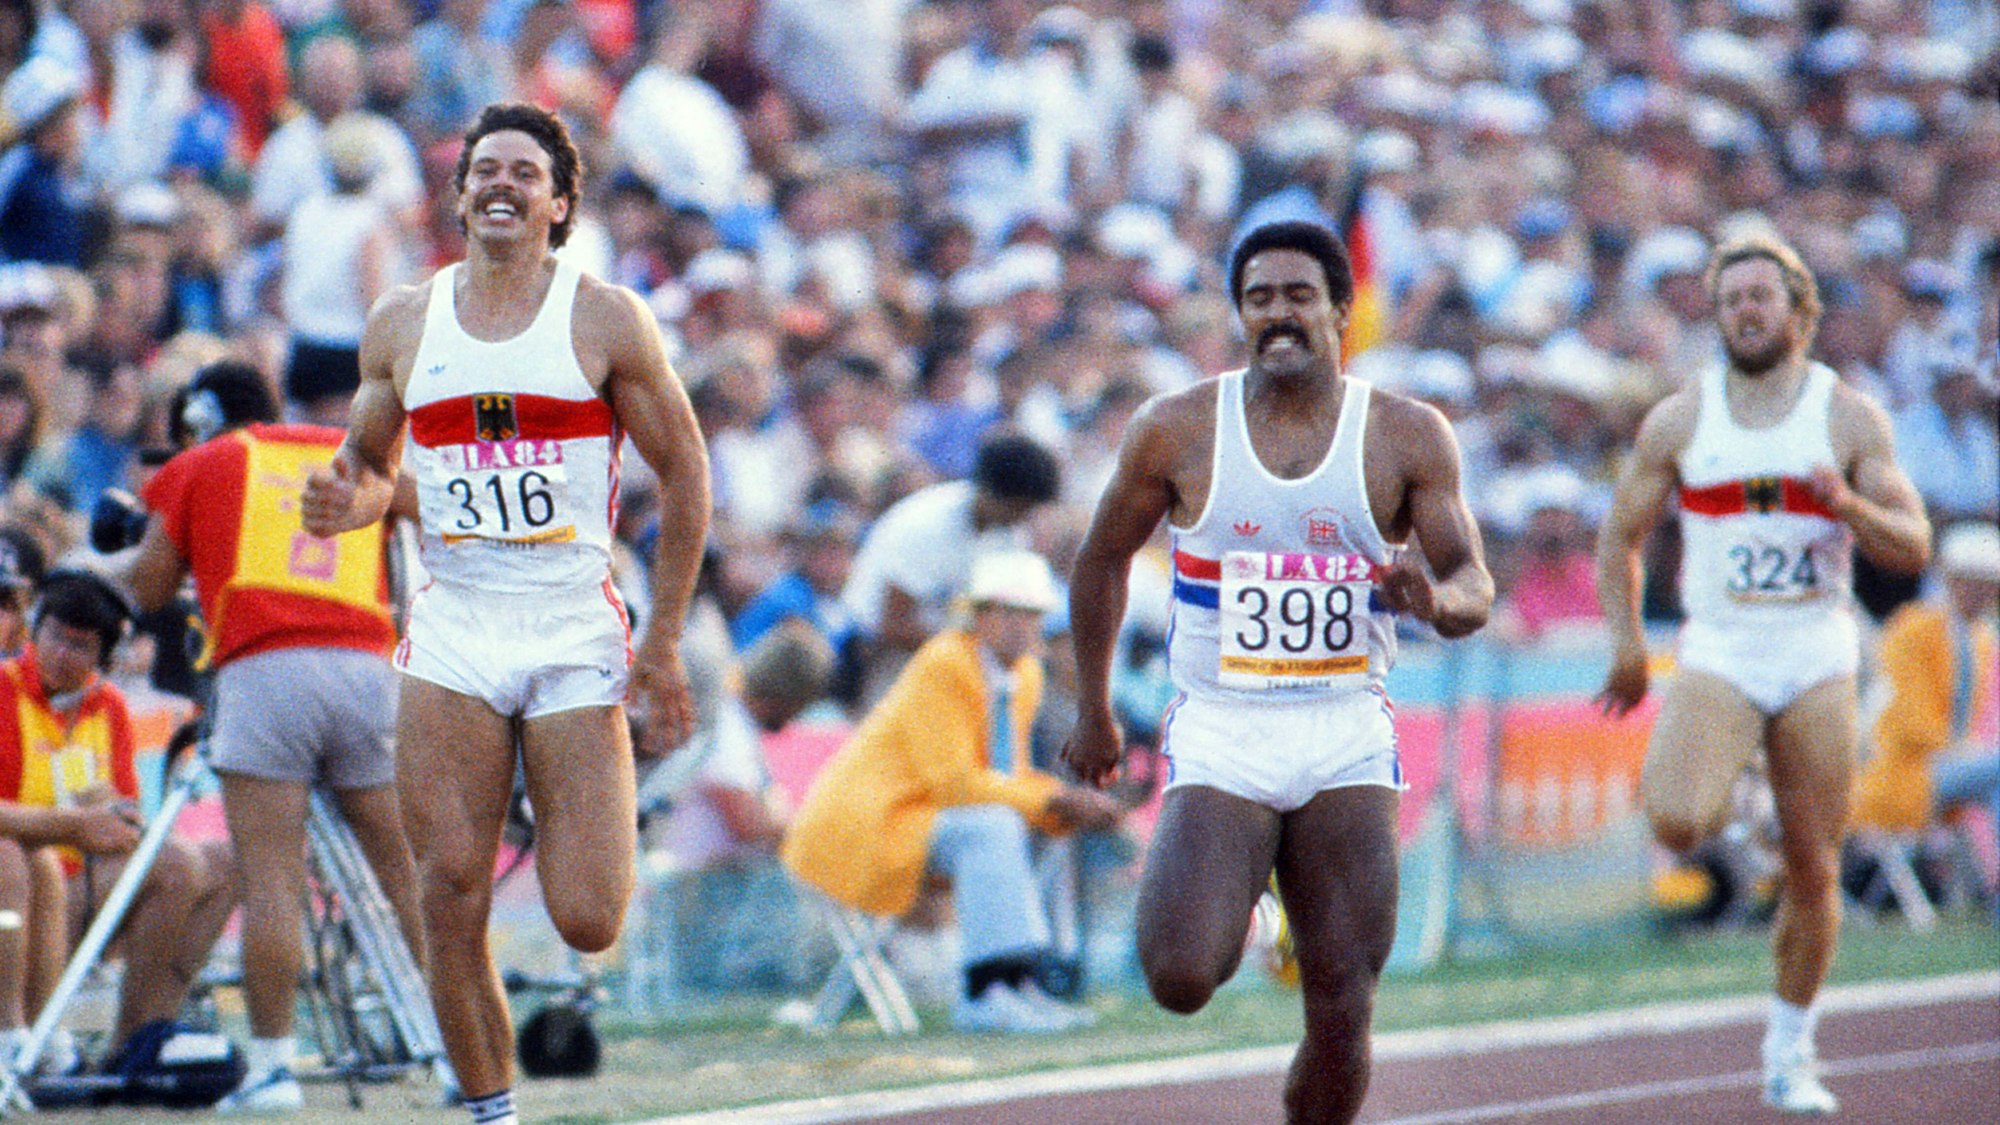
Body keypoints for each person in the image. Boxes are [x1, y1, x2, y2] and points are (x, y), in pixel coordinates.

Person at [300, 102, 710, 1125]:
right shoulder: (401, 321)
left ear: (558, 203)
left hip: (572, 619)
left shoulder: (603, 317)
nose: (500, 184)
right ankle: (490, 1111)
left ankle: (567, 799)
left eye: (524, 173)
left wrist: (661, 648)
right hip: (455, 627)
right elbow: (372, 469)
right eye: (485, 168)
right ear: (457, 193)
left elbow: (687, 472)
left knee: (585, 914)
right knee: (448, 892)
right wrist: (345, 500)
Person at [1063, 220, 1493, 1123]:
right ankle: (1250, 894)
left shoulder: (1407, 435)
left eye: (1300, 296)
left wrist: (1436, 602)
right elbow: (1100, 558)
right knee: (1180, 975)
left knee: (1343, 1004)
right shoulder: (1177, 430)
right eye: (1260, 299)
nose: (1280, 315)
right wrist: (1096, 709)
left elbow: (1473, 583)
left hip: (1343, 724)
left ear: (1341, 310)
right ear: (1240, 316)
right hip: (1225, 720)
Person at [1595, 231, 1931, 1116]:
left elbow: (1914, 542)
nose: (1746, 309)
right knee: (1673, 816)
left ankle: (1791, 1051)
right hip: (1723, 646)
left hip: (1816, 649)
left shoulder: (1847, 415)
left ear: (1798, 311)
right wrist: (1628, 642)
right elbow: (1618, 533)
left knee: (1817, 870)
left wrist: (1846, 504)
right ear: (1716, 314)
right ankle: (1743, 794)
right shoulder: (1680, 417)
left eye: (1762, 295)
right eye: (1731, 297)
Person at [113, 359, 423, 1113]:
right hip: (364, 666)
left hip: (263, 669)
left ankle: (276, 1067)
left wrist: (118, 557)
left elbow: (150, 586)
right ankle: (458, 1047)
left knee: (272, 878)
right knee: (408, 875)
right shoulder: (346, 448)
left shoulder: (205, 460)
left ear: (205, 415)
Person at [783, 550, 1122, 1033]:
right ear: (979, 615)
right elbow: (953, 782)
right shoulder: (945, 662)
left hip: (922, 823)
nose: (1023, 627)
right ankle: (986, 991)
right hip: (872, 824)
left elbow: (1009, 772)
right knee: (995, 826)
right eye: (1010, 613)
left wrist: (1061, 803)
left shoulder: (1023, 675)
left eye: (1032, 615)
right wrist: (1049, 800)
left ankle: (1020, 982)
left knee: (1036, 827)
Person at [0, 570, 236, 1064]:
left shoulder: (108, 706)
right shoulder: (5, 689)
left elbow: (129, 824)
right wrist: (71, 824)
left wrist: (116, 819)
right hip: (24, 884)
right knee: (19, 861)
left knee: (215, 862)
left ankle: (140, 1036)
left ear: (104, 658)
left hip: (81, 879)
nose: (63, 654)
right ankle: (15, 1032)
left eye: (81, 645)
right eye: (55, 637)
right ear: (35, 630)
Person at [1850, 521, 1999, 915]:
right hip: (1904, 771)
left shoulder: (1980, 636)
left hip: (1949, 767)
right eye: (1973, 581)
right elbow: (1906, 720)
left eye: (1988, 583)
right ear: (1951, 579)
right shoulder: (1914, 627)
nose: (1982, 592)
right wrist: (1964, 748)